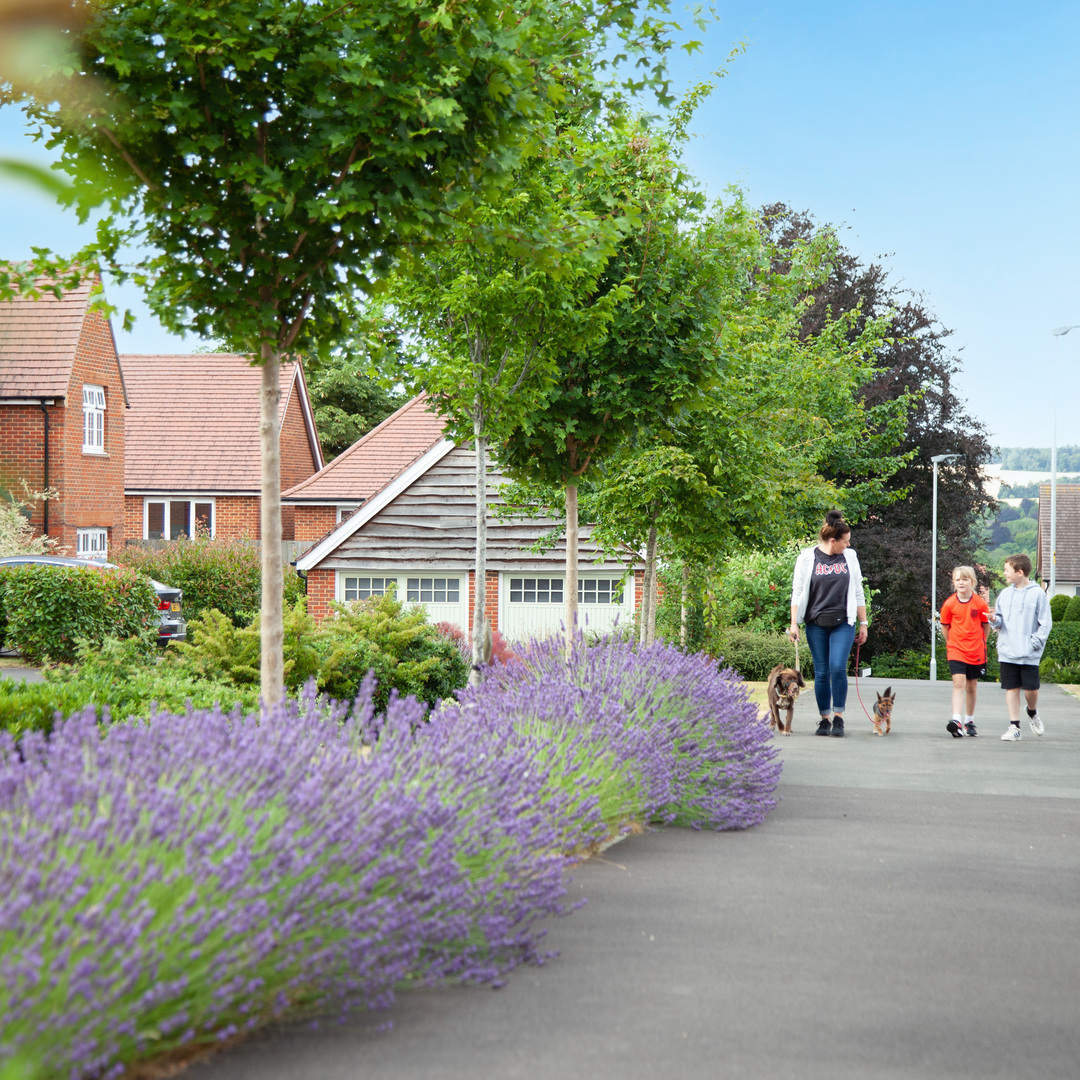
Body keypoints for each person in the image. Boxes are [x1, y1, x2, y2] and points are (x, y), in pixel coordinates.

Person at [787, 510, 868, 737]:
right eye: (845, 541)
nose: (848, 544)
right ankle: (824, 719)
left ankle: (839, 717)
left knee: (837, 668)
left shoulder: (850, 557)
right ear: (833, 541)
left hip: (843, 622)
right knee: (822, 672)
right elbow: (797, 592)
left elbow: (858, 591)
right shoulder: (806, 558)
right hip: (815, 623)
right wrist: (794, 624)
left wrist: (863, 623)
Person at [990, 553, 1052, 741]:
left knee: (1031, 691)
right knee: (1011, 688)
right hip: (1008, 651)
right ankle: (1014, 727)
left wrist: (1035, 643)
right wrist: (994, 620)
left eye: (1007, 570)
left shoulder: (1038, 594)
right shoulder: (1004, 594)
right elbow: (1000, 620)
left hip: (1029, 653)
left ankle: (1032, 712)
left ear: (1020, 572)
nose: (1004, 573)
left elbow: (1045, 623)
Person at [940, 565, 991, 737]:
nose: (961, 583)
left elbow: (986, 626)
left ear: (973, 582)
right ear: (953, 583)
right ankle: (956, 720)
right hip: (956, 650)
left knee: (971, 686)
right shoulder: (949, 604)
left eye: (965, 579)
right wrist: (952, 643)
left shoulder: (980, 603)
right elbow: (945, 627)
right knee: (958, 683)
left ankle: (969, 721)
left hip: (976, 651)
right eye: (958, 580)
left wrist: (981, 643)